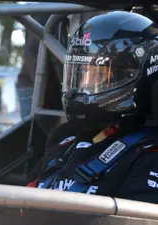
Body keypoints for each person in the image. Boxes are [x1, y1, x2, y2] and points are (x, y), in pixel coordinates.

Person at [26, 11, 158, 204]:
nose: (85, 84)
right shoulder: (65, 142)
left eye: (97, 75)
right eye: (81, 74)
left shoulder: (148, 158)